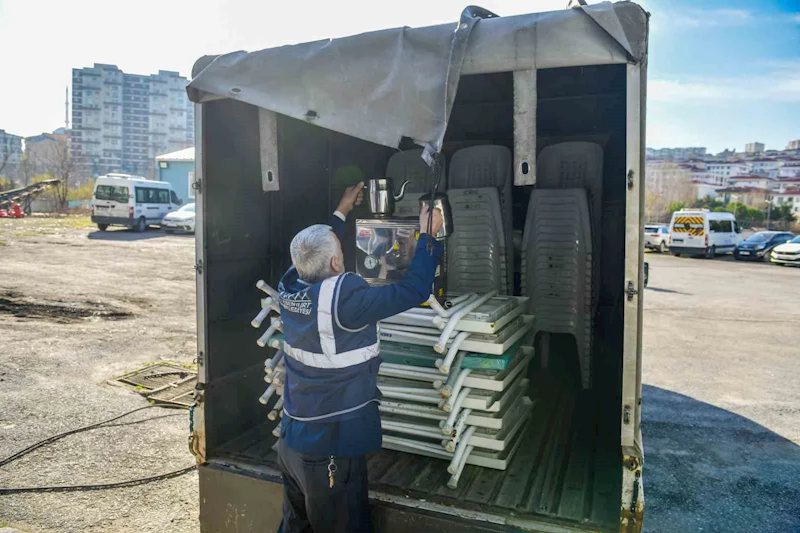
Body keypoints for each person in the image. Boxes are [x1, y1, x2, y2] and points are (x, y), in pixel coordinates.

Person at [275, 181, 444, 533]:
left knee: (296, 526)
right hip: (330, 450)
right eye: (339, 246)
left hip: (292, 443)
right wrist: (428, 237)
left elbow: (312, 250)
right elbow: (413, 290)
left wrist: (343, 210)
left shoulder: (290, 285)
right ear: (336, 261)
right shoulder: (346, 304)